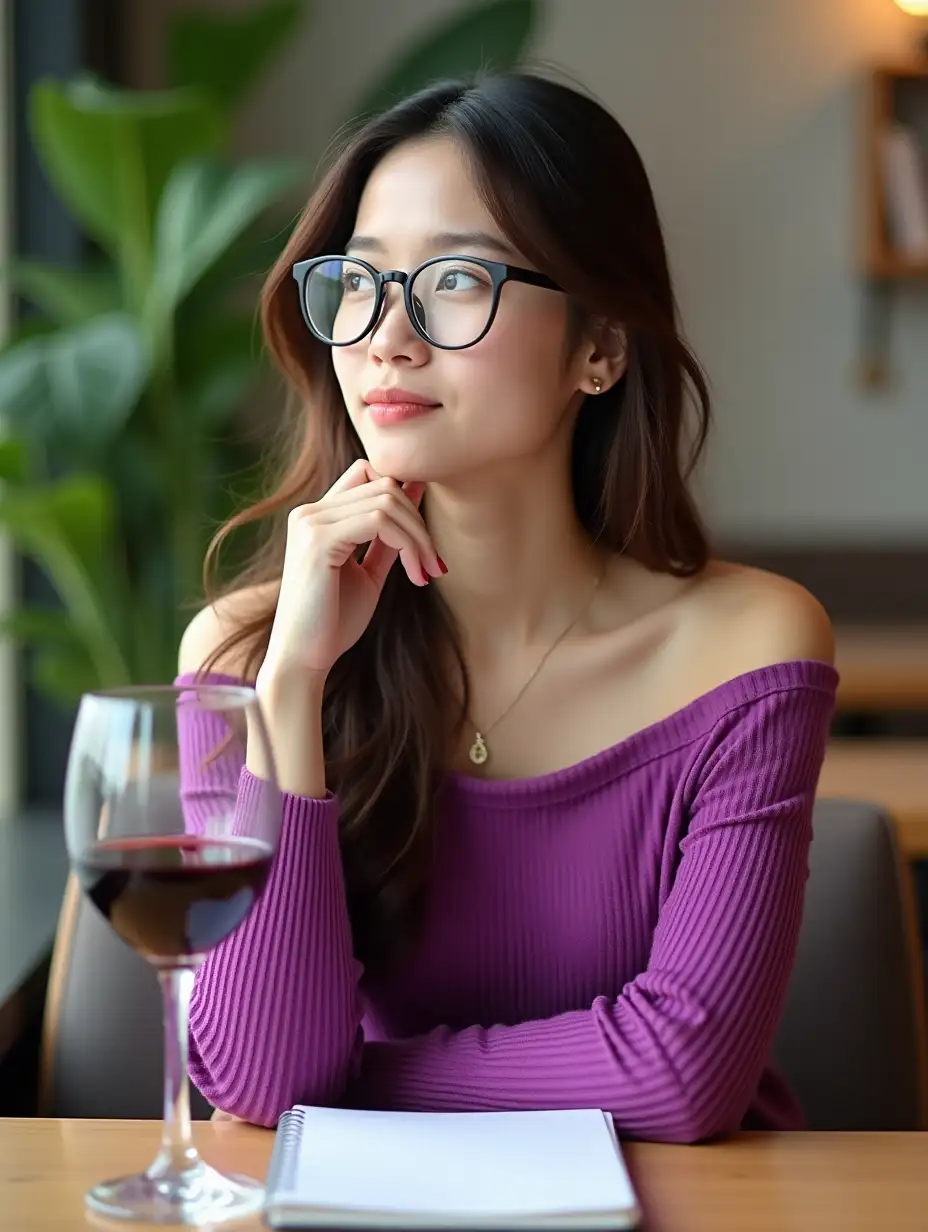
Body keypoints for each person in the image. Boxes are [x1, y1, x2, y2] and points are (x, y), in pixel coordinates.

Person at [176, 70, 837, 1144]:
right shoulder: (249, 652)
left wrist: (345, 1082)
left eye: (454, 281)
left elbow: (683, 1074)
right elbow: (259, 1073)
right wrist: (293, 683)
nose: (385, 336)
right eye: (359, 281)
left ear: (600, 346)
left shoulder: (748, 648)